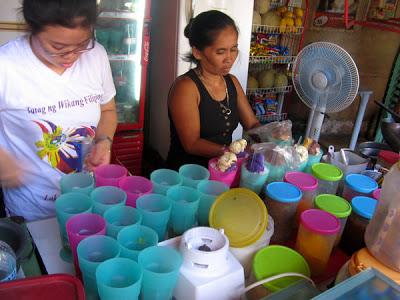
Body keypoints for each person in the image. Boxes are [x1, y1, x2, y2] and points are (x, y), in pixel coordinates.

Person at [0, 0, 117, 221]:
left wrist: (104, 140)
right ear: (32, 28)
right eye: (58, 47)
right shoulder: (6, 65)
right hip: (31, 208)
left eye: (83, 44)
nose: (72, 56)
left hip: (86, 196)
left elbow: (108, 110)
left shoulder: (97, 55)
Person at [166, 10, 259, 170]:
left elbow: (251, 124)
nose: (229, 58)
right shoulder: (186, 88)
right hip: (189, 175)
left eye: (234, 49)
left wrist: (273, 138)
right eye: (221, 52)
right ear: (197, 52)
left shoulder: (232, 82)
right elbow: (192, 143)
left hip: (223, 170)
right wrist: (230, 152)